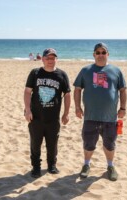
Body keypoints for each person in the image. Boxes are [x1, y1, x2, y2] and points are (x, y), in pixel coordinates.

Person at [73, 42, 127, 181]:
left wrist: (123, 108)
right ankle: (86, 165)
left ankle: (110, 166)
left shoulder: (116, 70)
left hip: (110, 117)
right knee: (89, 143)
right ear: (94, 55)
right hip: (90, 116)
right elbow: (77, 89)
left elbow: (122, 90)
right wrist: (77, 107)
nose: (101, 55)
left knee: (110, 143)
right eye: (98, 52)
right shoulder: (86, 70)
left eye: (103, 52)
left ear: (108, 54)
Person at [24, 48, 71, 178]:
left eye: (53, 58)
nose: (50, 60)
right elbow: (28, 92)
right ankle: (36, 167)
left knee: (52, 144)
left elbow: (67, 95)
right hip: (36, 117)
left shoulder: (62, 75)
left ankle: (51, 165)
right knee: (35, 143)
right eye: (48, 58)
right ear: (43, 59)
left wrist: (66, 113)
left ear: (56, 59)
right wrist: (27, 110)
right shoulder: (35, 73)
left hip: (53, 118)